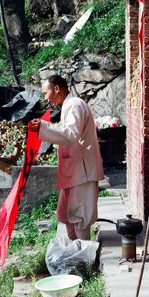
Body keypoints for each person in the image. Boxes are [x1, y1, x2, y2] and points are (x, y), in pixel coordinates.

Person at [29, 75, 104, 241]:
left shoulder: (75, 105)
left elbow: (70, 135)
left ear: (57, 89)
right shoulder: (68, 106)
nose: (45, 97)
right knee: (67, 213)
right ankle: (76, 251)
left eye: (45, 92)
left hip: (81, 170)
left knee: (80, 215)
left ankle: (83, 257)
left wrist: (44, 127)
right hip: (74, 168)